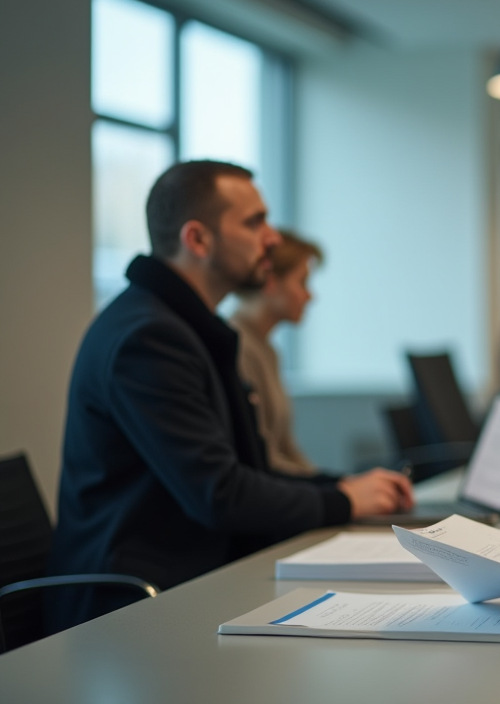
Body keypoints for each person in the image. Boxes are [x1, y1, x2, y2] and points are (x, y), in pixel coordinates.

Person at [46, 161, 414, 632]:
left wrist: (341, 488)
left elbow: (248, 472)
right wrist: (341, 500)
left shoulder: (187, 327)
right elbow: (218, 494)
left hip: (187, 580)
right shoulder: (149, 338)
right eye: (254, 222)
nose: (274, 238)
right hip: (130, 608)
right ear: (197, 240)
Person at [230, 229, 323, 476]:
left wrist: (340, 486)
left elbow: (286, 448)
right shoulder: (237, 348)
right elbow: (263, 461)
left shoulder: (267, 350)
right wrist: (336, 493)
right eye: (302, 282)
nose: (310, 295)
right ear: (269, 280)